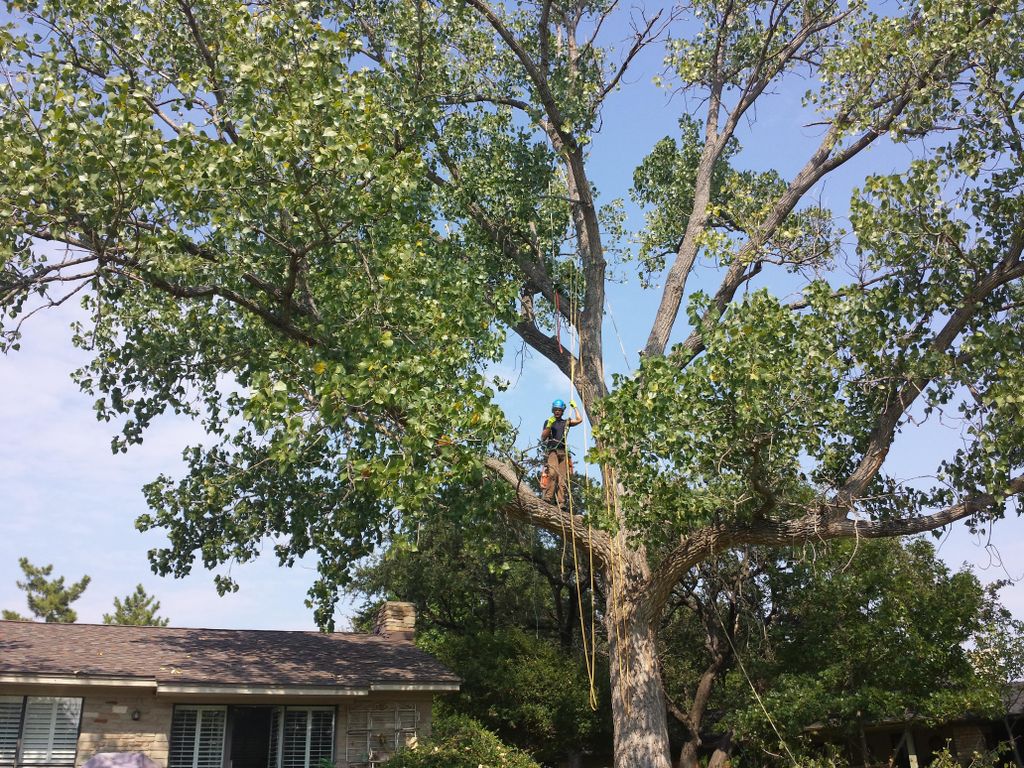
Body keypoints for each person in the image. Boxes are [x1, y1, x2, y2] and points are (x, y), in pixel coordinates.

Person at [541, 398, 583, 508]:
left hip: (563, 452)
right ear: (552, 410)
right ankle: (548, 497)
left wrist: (575, 407)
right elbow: (543, 437)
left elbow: (579, 420)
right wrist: (549, 425)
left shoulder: (565, 423)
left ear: (563, 411)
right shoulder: (548, 421)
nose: (557, 411)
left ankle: (561, 502)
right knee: (553, 473)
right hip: (553, 451)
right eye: (555, 409)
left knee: (562, 478)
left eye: (559, 410)